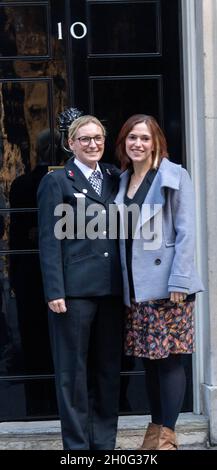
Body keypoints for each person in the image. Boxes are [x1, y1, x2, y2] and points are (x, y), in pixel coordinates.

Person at [115, 114, 204, 450]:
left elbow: (186, 231)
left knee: (169, 359)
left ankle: (167, 438)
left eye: (145, 138)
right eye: (132, 138)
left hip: (169, 286)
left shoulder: (174, 175)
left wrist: (180, 278)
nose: (138, 144)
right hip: (137, 288)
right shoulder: (122, 181)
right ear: (124, 142)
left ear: (157, 143)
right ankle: (155, 435)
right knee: (150, 361)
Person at [37, 115, 123, 450]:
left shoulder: (115, 178)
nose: (92, 145)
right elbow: (48, 239)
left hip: (112, 292)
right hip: (73, 294)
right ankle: (77, 449)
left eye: (98, 138)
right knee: (72, 376)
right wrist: (54, 289)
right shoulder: (58, 182)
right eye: (84, 139)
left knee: (107, 373)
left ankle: (104, 447)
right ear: (70, 143)